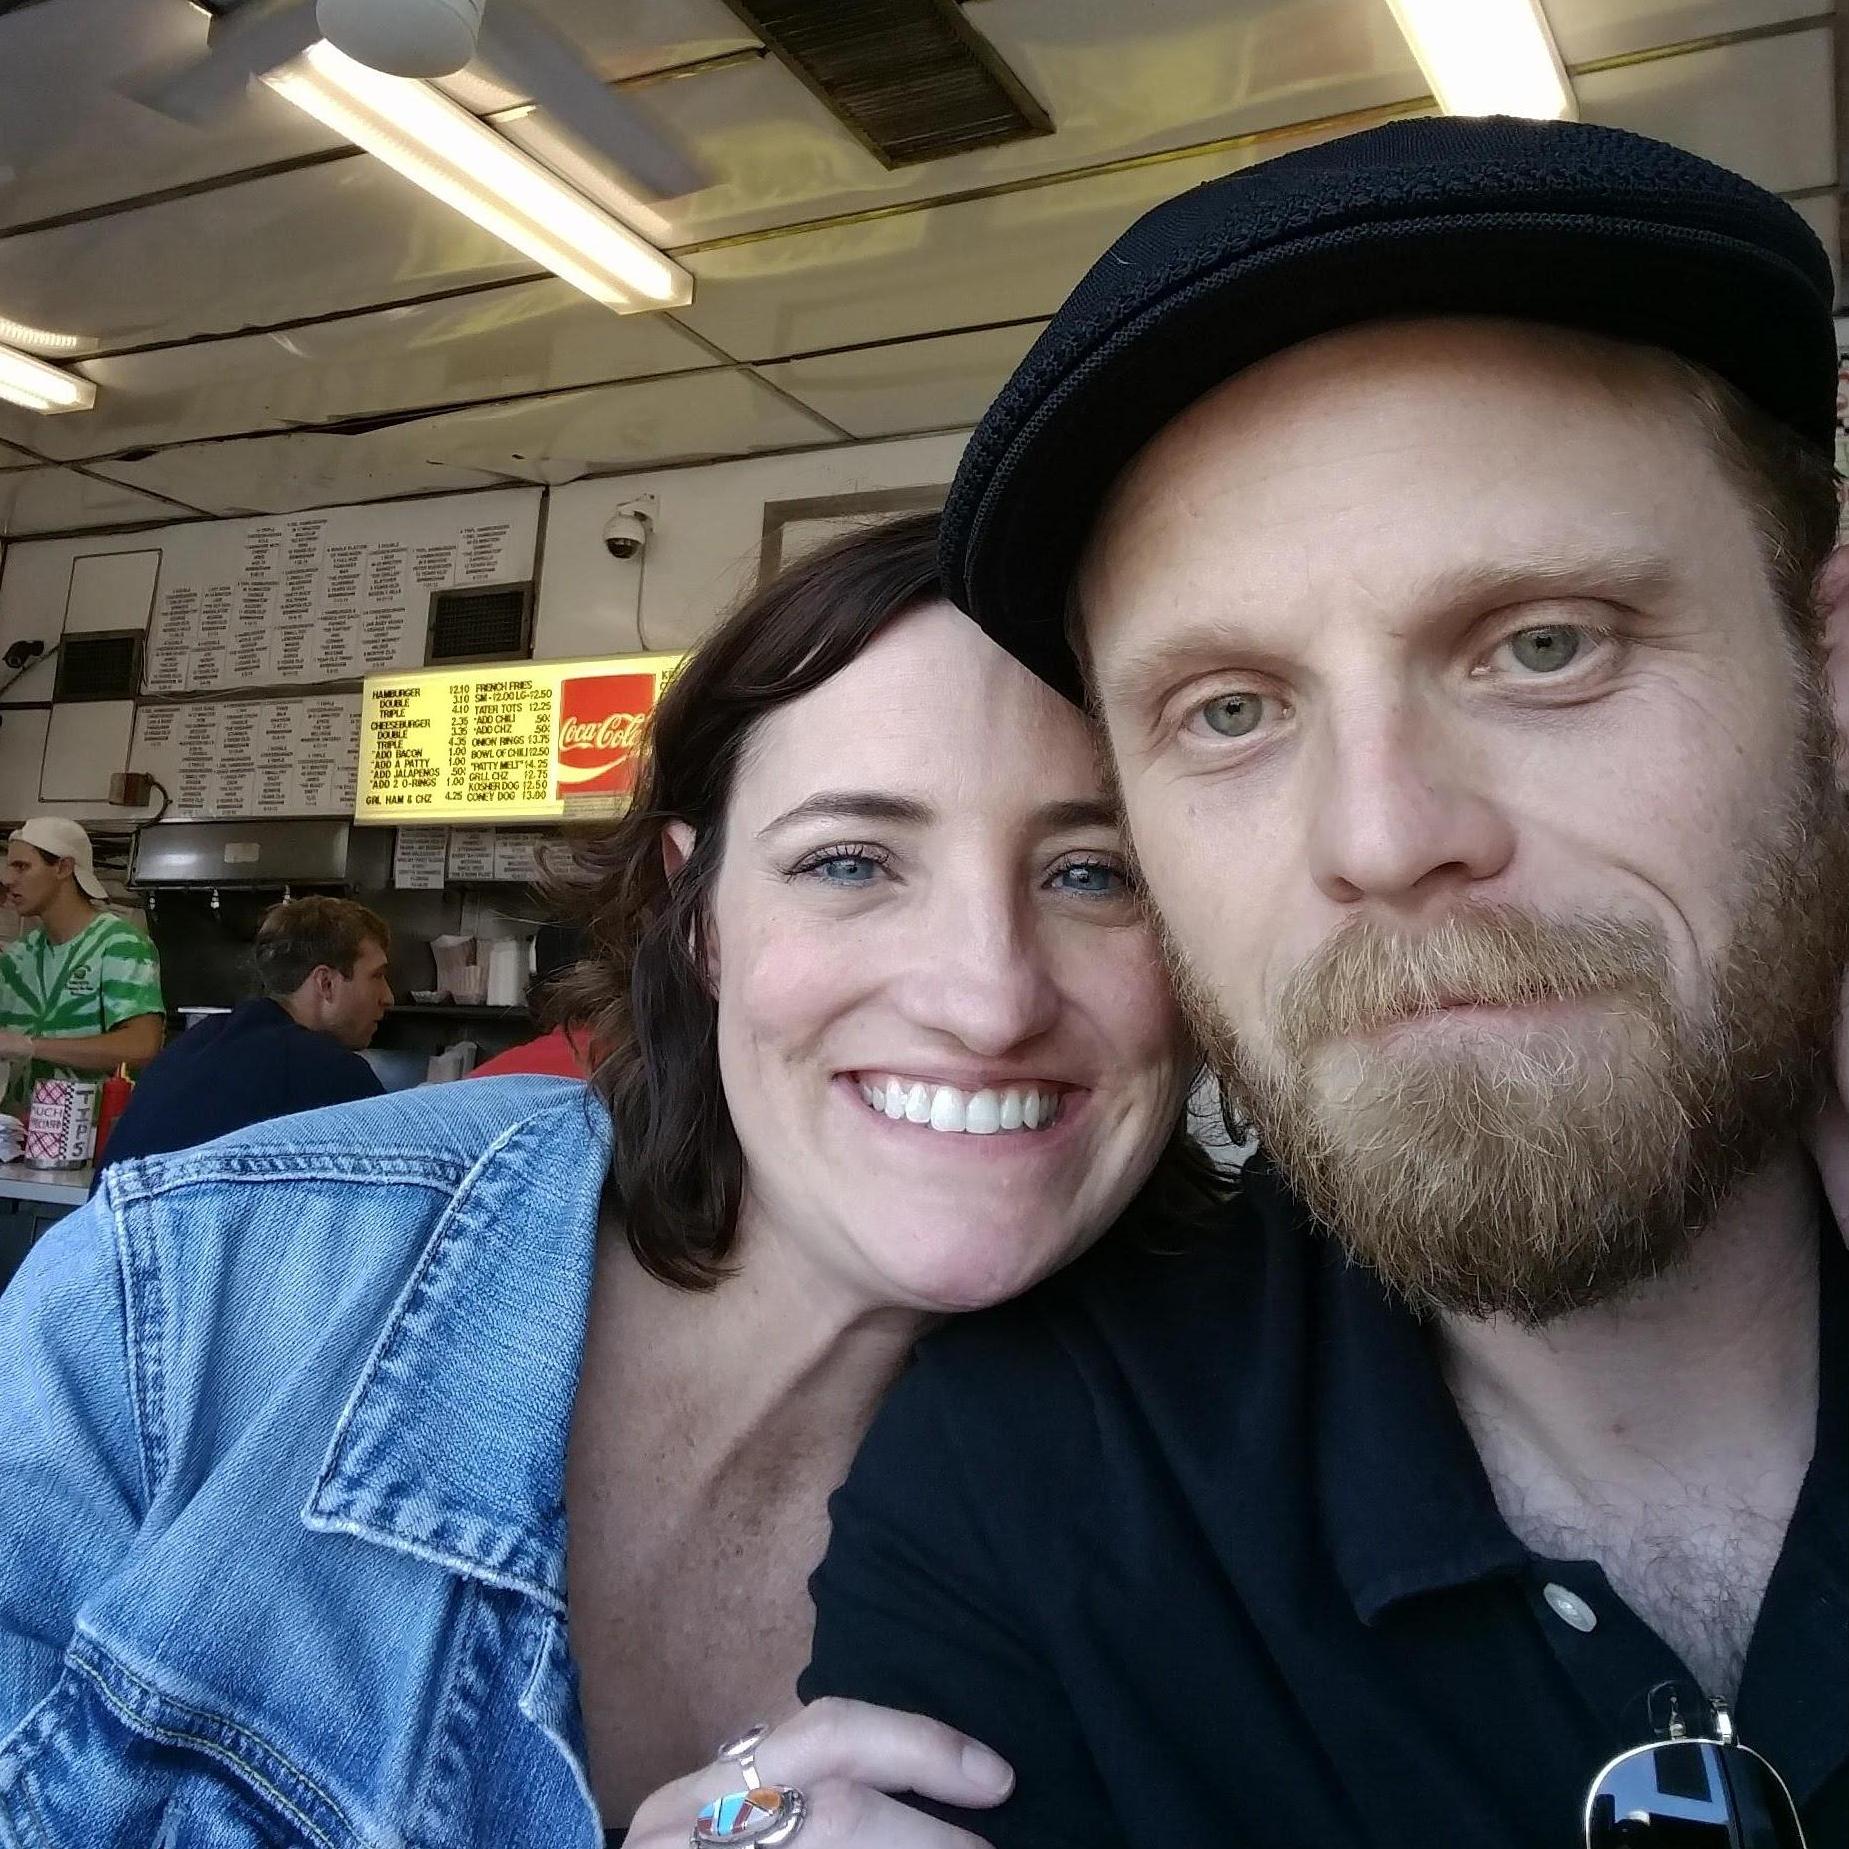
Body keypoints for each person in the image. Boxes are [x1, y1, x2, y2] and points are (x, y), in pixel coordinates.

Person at [801, 117, 1849, 1846]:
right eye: (1226, 709)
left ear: (1823, 668)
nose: (1379, 832)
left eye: (1539, 644)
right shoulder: (1033, 1482)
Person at [0, 514, 1214, 1848]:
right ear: (698, 919)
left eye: (1094, 873)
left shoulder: (1255, 1490)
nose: (987, 999)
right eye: (850, 862)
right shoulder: (191, 1296)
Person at [94, 895, 391, 1176]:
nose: (388, 996)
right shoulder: (331, 1072)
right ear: (326, 983)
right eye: (376, 976)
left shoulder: (187, 1050)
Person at [0, 817, 163, 1118]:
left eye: (21, 867)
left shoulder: (119, 944)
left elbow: (142, 1046)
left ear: (63, 868)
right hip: (18, 1139)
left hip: (92, 1138)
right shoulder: (18, 957)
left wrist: (30, 1046)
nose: (8, 879)